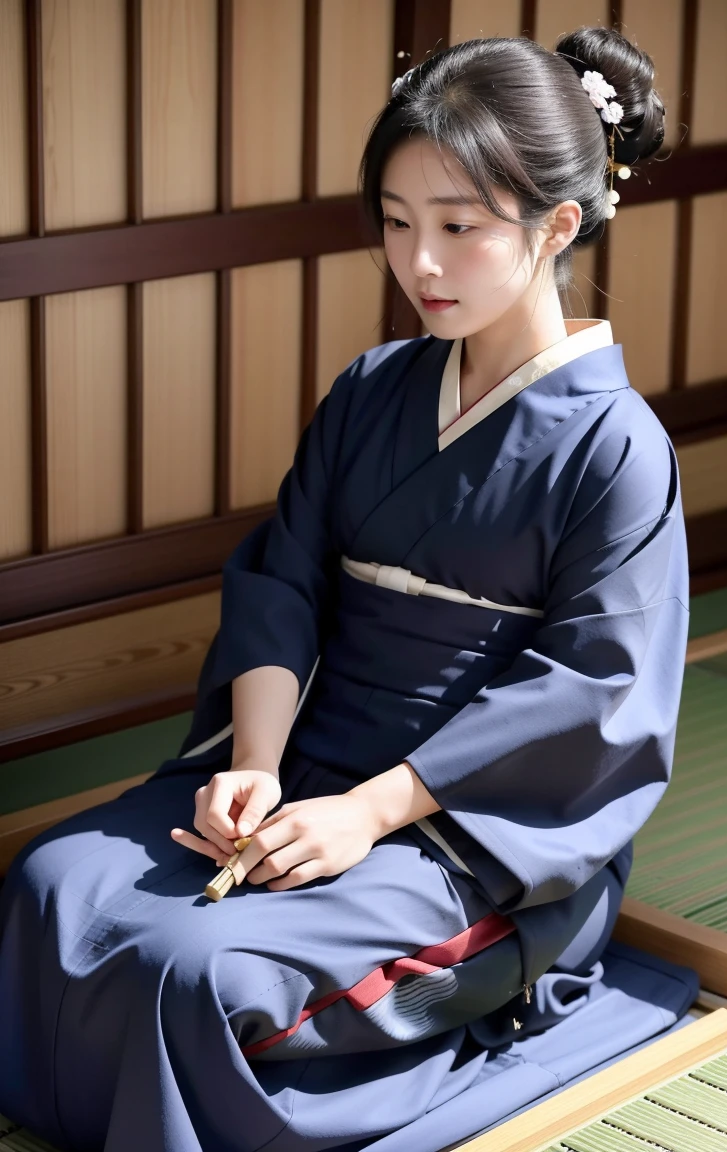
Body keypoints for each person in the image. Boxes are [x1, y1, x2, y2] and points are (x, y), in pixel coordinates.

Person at [0, 26, 691, 1152]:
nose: (420, 264)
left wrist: (369, 813)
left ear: (558, 226)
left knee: (193, 969)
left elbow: (594, 697)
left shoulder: (617, 449)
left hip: (474, 834)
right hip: (308, 763)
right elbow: (282, 582)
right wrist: (256, 769)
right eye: (397, 222)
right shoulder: (373, 389)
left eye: (460, 229)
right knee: (49, 883)